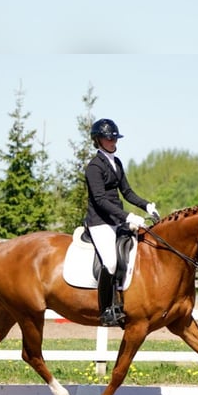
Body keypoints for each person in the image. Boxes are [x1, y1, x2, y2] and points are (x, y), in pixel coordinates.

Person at [84, 118, 159, 327]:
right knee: (110, 262)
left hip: (116, 220)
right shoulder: (94, 167)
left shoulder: (116, 162)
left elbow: (126, 192)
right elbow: (100, 200)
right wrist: (126, 216)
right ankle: (106, 310)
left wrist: (146, 206)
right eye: (109, 138)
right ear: (98, 140)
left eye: (114, 138)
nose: (113, 141)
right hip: (99, 222)